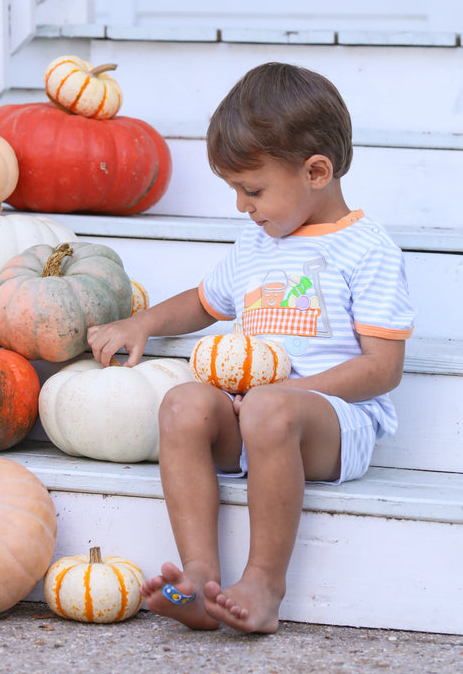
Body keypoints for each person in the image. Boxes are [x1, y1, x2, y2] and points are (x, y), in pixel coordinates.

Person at [87, 62, 416, 634]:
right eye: (236, 190)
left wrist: (290, 392)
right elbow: (204, 301)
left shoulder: (367, 250)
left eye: (252, 189)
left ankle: (264, 583)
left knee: (268, 406)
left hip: (335, 424)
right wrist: (144, 322)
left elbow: (382, 368)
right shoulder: (257, 241)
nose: (243, 205)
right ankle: (197, 578)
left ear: (316, 172)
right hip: (253, 415)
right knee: (183, 403)